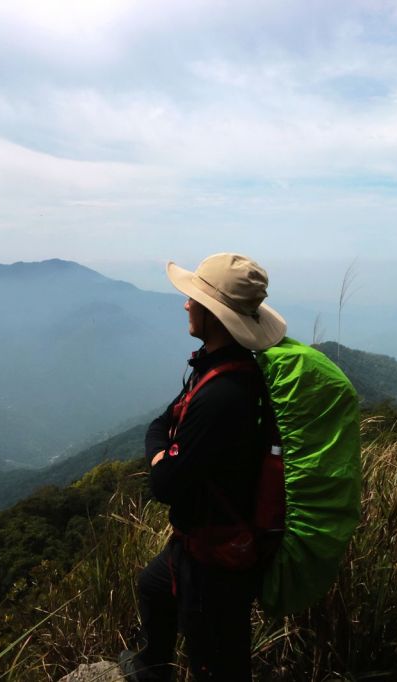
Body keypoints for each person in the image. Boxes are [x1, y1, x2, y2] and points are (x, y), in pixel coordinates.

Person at [120, 253, 287, 682]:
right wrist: (165, 444)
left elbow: (165, 483)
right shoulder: (216, 370)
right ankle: (153, 667)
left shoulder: (223, 395)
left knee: (216, 661)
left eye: (193, 298)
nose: (185, 304)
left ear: (214, 313)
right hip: (197, 544)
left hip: (217, 558)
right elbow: (164, 422)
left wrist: (160, 455)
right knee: (155, 587)